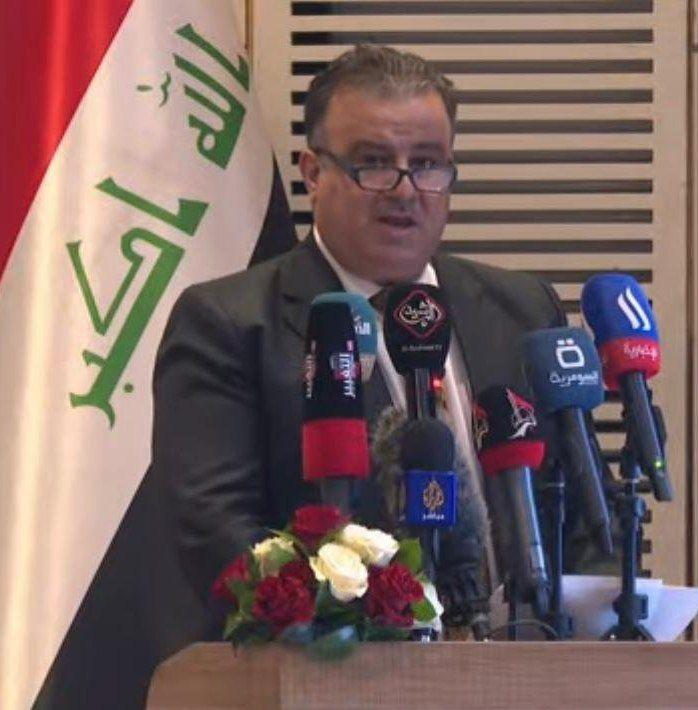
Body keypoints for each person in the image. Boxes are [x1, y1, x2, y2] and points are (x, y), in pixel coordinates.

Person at [150, 45, 574, 623]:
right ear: (313, 173)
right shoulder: (227, 325)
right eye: (373, 163)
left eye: (427, 163)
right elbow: (220, 540)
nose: (405, 189)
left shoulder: (521, 311)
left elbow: (578, 513)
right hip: (334, 665)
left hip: (529, 661)